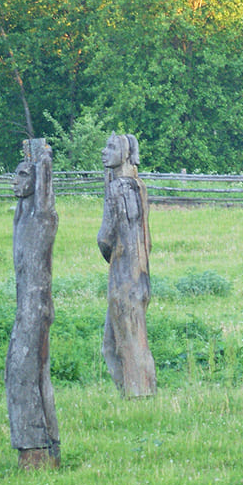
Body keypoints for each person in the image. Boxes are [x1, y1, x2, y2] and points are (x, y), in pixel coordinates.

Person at [5, 141, 60, 468]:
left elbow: (44, 191)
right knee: (21, 371)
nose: (16, 181)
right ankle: (40, 445)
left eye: (23, 175)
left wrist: (42, 157)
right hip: (24, 304)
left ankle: (37, 443)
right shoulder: (21, 212)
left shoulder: (42, 213)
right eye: (15, 175)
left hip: (35, 306)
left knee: (23, 371)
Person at [98, 134, 156, 397]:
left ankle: (139, 395)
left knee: (127, 342)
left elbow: (106, 237)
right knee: (116, 344)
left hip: (124, 275)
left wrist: (107, 249)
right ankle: (134, 394)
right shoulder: (138, 186)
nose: (104, 151)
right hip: (140, 275)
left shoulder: (118, 189)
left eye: (111, 147)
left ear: (125, 153)